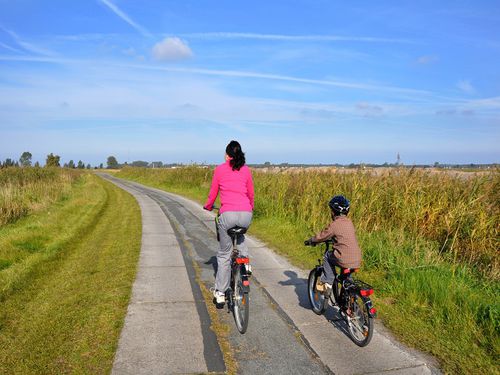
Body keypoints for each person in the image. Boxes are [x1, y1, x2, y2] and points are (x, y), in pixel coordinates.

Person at [204, 140, 254, 305]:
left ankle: (220, 292)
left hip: (228, 215)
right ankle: (245, 263)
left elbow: (213, 193)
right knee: (239, 235)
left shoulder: (219, 169)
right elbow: (251, 194)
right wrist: (249, 209)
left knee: (225, 254)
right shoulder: (246, 170)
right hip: (246, 214)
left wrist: (209, 205)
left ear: (227, 155)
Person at [304, 195, 362, 293]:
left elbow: (321, 236)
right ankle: (348, 298)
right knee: (346, 277)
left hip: (343, 257)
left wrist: (311, 241)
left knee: (327, 256)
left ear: (333, 212)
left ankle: (327, 282)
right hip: (357, 258)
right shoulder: (349, 223)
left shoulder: (334, 225)